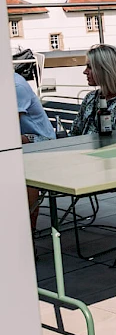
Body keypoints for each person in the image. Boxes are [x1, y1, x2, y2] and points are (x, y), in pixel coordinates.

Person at [71, 44, 116, 136]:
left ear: (105, 70)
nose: (85, 71)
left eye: (90, 67)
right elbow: (74, 132)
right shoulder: (90, 97)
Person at [15, 73, 54, 229]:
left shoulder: (16, 87)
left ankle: (28, 235)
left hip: (42, 141)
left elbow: (7, 130)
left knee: (22, 167)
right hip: (21, 140)